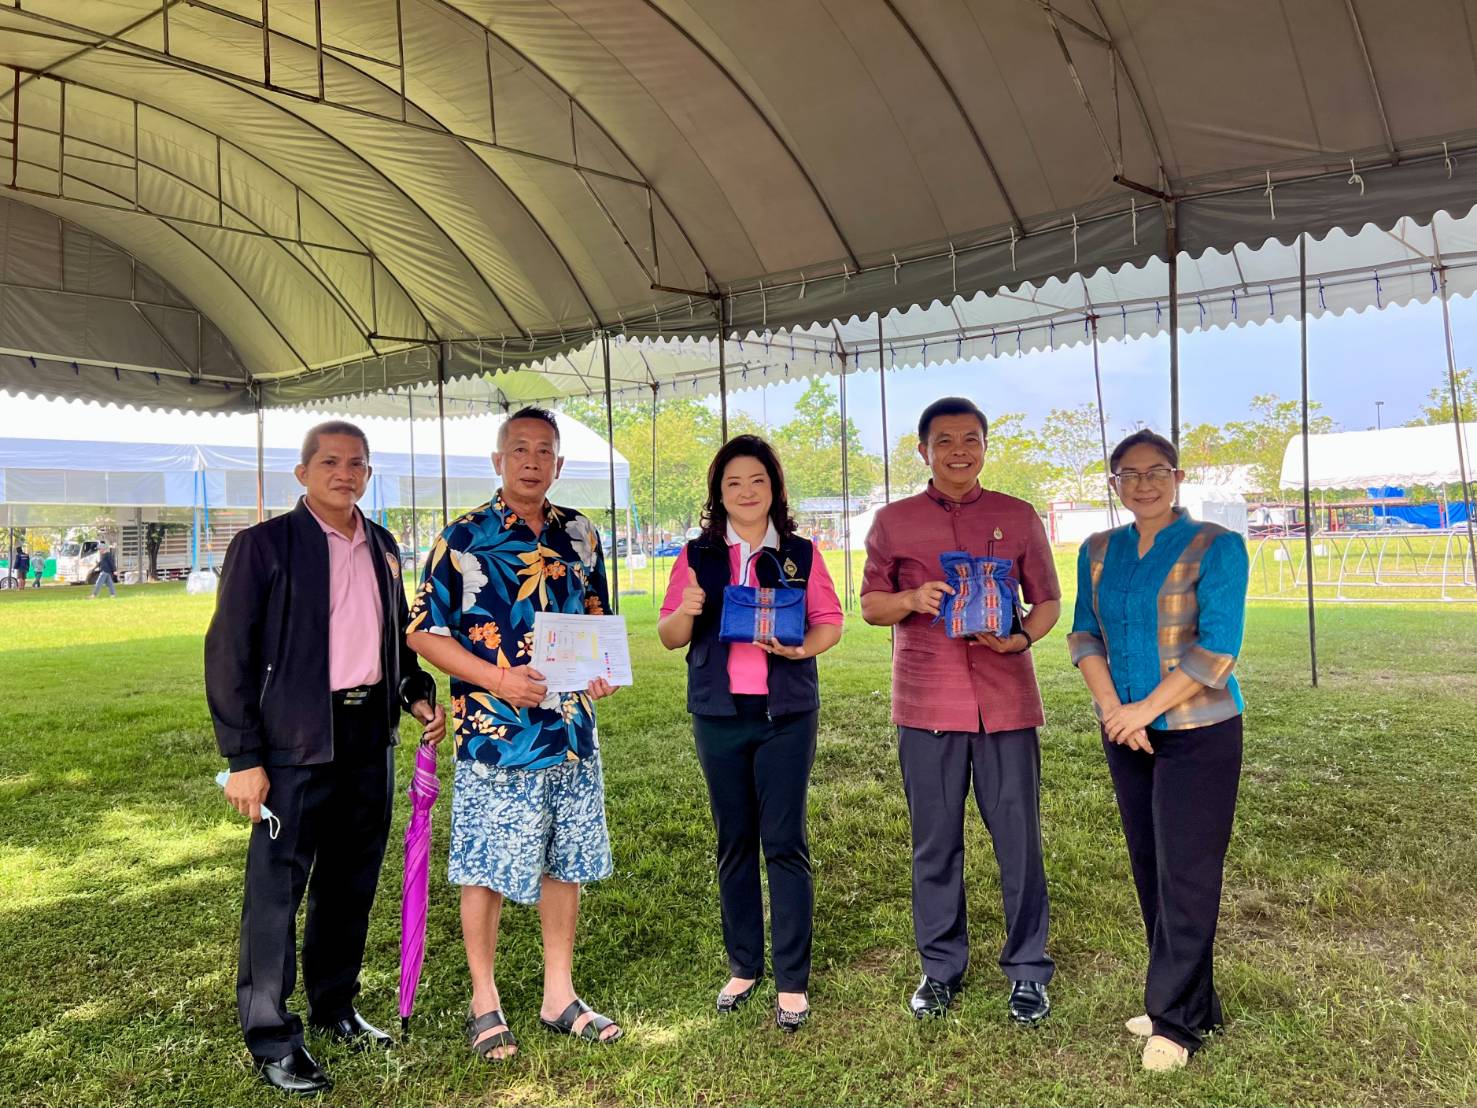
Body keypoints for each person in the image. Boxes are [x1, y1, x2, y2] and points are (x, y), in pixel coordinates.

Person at [205, 420, 446, 1095]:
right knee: (276, 893)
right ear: (303, 472)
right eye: (331, 462)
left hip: (368, 738)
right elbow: (228, 654)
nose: (345, 474)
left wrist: (415, 694)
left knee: (350, 883)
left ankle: (335, 1006)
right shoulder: (263, 545)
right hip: (292, 742)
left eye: (357, 464)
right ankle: (272, 1036)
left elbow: (392, 638)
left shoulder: (383, 545)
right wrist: (244, 757)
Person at [406, 406, 621, 1063]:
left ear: (559, 464)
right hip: (496, 735)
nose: (532, 461)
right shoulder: (463, 538)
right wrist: (497, 679)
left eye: (544, 450)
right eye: (519, 449)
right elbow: (421, 632)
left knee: (565, 861)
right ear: (498, 461)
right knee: (485, 866)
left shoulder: (581, 533)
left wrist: (602, 672)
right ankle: (484, 999)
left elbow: (597, 620)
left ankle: (560, 995)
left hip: (570, 732)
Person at [861, 396, 1060, 1024]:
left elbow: (1048, 602)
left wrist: (1021, 639)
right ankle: (941, 967)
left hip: (1007, 702)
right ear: (923, 450)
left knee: (1019, 841)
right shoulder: (892, 522)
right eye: (944, 441)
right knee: (935, 843)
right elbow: (870, 605)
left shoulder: (1017, 516)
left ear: (984, 447)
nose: (958, 451)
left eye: (971, 439)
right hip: (927, 703)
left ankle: (1027, 968)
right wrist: (912, 599)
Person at [1066, 429, 1249, 1072]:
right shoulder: (1097, 550)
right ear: (1113, 482)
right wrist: (1114, 712)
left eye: (1157, 471)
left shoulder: (1216, 546)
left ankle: (1174, 1023)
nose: (1143, 484)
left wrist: (1143, 710)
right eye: (1130, 474)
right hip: (1127, 733)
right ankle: (1192, 1000)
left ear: (1178, 477)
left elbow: (1217, 650)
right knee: (1150, 866)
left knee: (1187, 872)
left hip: (1198, 732)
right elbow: (1084, 636)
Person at [657, 435, 844, 1032]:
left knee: (784, 841)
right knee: (734, 841)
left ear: (774, 488)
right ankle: (744, 966)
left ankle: (792, 978)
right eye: (733, 482)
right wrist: (685, 609)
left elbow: (830, 622)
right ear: (718, 492)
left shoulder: (801, 554)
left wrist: (800, 649)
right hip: (718, 715)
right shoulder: (696, 556)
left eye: (757, 481)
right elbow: (669, 637)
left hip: (786, 715)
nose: (745, 492)